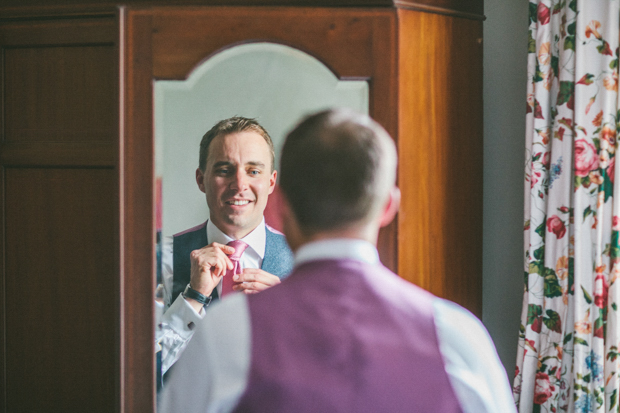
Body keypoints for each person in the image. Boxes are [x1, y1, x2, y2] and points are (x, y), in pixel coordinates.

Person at [160, 109, 516, 412]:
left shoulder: (227, 330)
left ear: (279, 203)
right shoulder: (456, 333)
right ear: (389, 207)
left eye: (253, 171)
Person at [156, 117, 294, 376]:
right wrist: (192, 299)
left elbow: (331, 373)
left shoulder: (302, 262)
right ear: (201, 179)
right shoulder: (161, 259)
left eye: (253, 171)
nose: (239, 185)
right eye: (224, 170)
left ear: (271, 182)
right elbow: (138, 373)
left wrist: (290, 317)